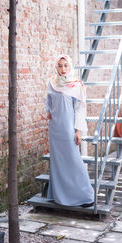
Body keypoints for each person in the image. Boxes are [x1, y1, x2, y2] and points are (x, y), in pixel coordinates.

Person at [46, 54, 94, 207]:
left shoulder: (76, 85)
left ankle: (85, 195)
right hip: (55, 129)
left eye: (65, 65)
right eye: (60, 65)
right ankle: (59, 195)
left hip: (68, 128)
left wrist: (78, 131)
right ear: (56, 67)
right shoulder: (52, 82)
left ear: (70, 66)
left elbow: (80, 109)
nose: (63, 69)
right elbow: (48, 100)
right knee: (58, 162)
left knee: (73, 160)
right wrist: (49, 111)